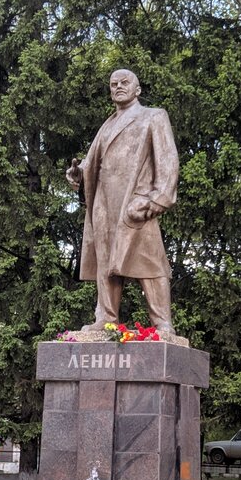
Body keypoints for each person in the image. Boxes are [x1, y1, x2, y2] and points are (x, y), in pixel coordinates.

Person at [66, 69, 179, 332]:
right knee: (106, 263)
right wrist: (78, 174)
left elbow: (168, 160)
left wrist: (157, 200)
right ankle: (106, 318)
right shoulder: (107, 125)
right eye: (113, 84)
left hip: (136, 201)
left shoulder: (153, 116)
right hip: (104, 203)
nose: (118, 86)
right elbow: (92, 164)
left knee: (150, 261)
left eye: (125, 83)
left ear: (137, 90)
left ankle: (162, 323)